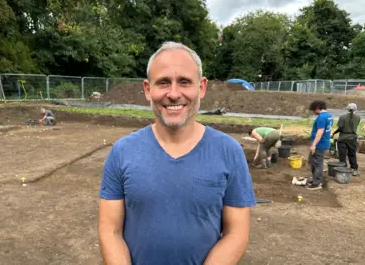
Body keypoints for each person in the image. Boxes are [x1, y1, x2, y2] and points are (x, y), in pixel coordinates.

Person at [98, 42, 256, 265]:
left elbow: (236, 233)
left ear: (201, 87)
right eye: (163, 82)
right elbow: (110, 231)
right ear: (147, 89)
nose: (173, 94)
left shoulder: (229, 152)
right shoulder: (122, 152)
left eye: (184, 82)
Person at [307, 100, 333, 190]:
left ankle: (317, 183)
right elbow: (328, 130)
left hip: (319, 144)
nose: (314, 112)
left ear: (318, 108)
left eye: (314, 110)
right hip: (323, 142)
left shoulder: (321, 117)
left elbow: (320, 131)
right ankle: (315, 179)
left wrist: (314, 144)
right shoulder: (329, 116)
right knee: (312, 160)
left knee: (317, 163)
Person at [332, 103, 361, 176]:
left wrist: (334, 132)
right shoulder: (358, 117)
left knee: (342, 155)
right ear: (356, 109)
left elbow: (340, 128)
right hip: (352, 138)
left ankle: (343, 170)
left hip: (343, 138)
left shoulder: (342, 117)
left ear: (347, 108)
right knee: (352, 154)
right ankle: (354, 169)